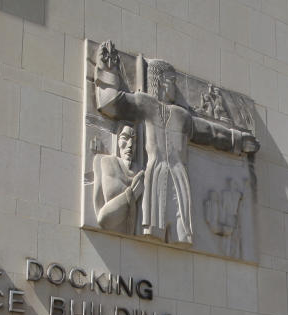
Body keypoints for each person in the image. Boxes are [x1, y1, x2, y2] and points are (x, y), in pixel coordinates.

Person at [93, 40, 258, 246]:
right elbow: (111, 102)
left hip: (179, 175)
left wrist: (239, 140)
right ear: (161, 82)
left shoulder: (182, 116)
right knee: (154, 228)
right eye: (172, 81)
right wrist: (109, 69)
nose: (175, 87)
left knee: (180, 231)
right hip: (155, 173)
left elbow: (210, 133)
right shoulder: (145, 104)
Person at [93, 124, 144, 234]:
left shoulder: (142, 173)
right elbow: (103, 219)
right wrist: (133, 194)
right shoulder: (105, 162)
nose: (130, 145)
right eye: (125, 138)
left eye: (134, 140)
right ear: (117, 140)